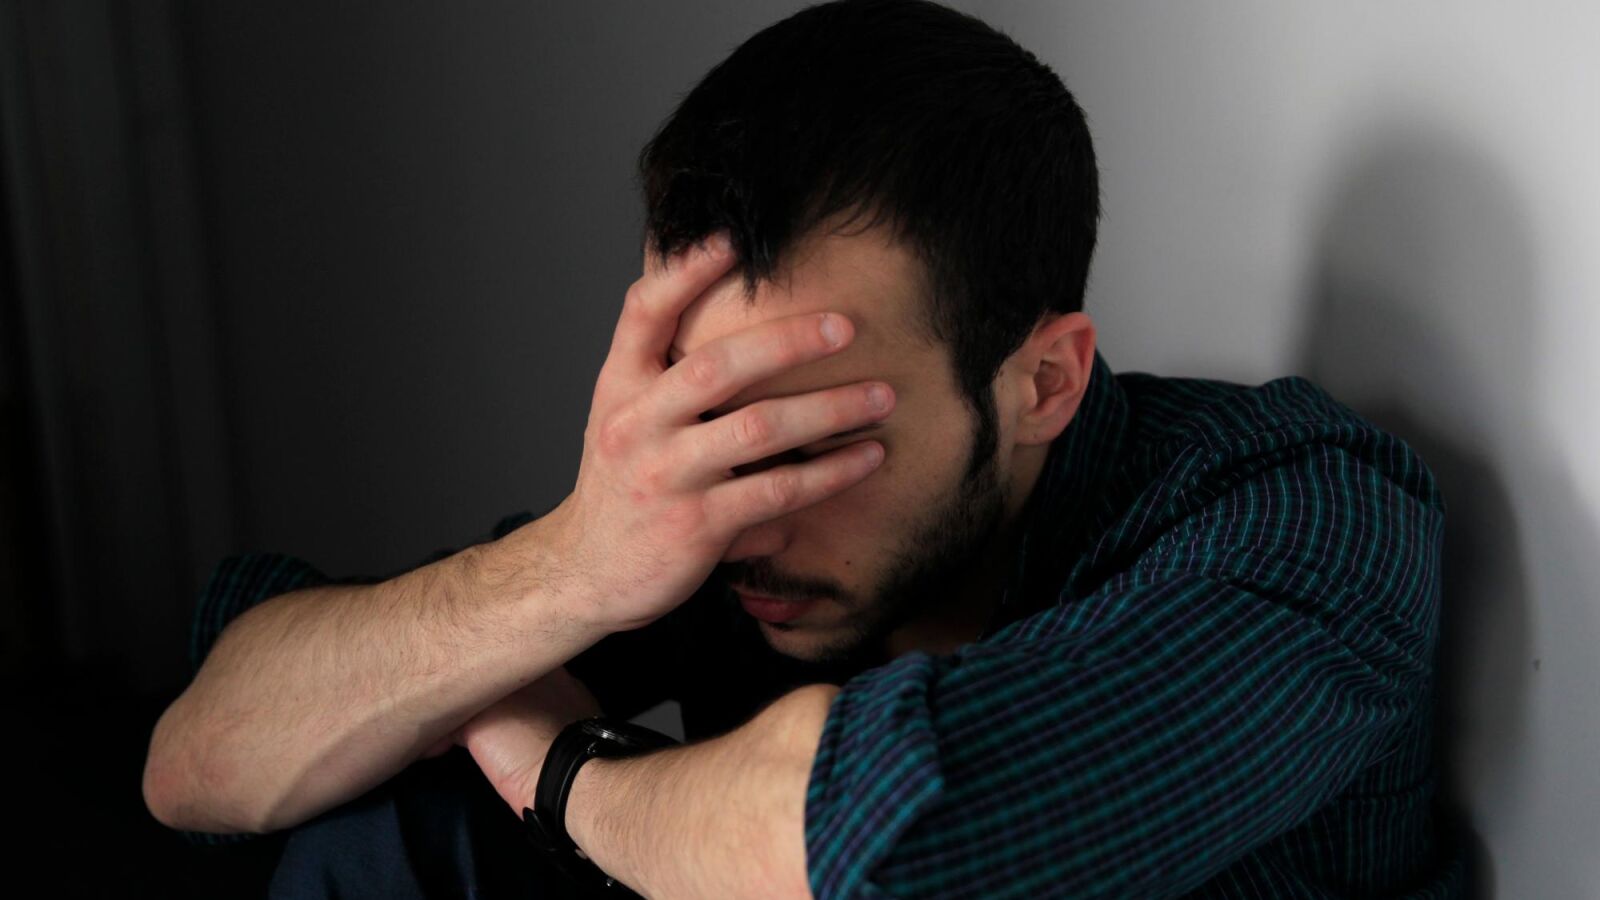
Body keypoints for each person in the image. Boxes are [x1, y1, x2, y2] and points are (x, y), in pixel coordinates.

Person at [143, 0, 1473, 896]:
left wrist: (559, 771)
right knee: (394, 811)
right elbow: (196, 762)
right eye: (714, 418)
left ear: (1044, 382)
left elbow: (895, 831)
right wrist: (565, 572)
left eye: (816, 437)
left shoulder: (1303, 516)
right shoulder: (712, 517)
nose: (751, 513)